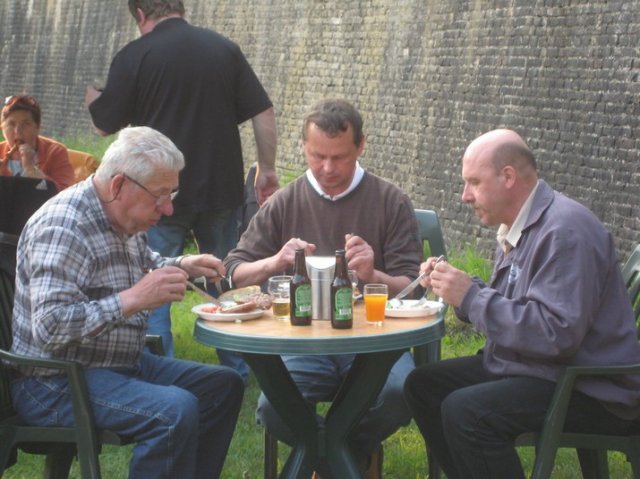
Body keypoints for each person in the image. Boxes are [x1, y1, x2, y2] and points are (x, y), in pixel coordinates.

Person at [403, 129, 640, 479]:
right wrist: (463, 291)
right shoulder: (526, 224)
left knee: (467, 412)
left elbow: (554, 334)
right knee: (423, 386)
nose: (464, 195)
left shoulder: (564, 231)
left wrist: (471, 295)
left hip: (591, 388)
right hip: (542, 369)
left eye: (473, 182)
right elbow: (523, 307)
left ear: (508, 177)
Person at [10, 126, 244, 479]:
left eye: (172, 194)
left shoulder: (119, 216)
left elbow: (140, 262)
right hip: (55, 382)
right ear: (119, 185)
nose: (167, 209)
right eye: (160, 195)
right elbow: (51, 326)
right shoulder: (64, 226)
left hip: (114, 364)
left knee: (223, 386)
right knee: (174, 410)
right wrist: (134, 299)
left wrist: (182, 264)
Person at [224, 98, 423, 477]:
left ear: (360, 146)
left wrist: (373, 275)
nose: (328, 169)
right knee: (271, 409)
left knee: (400, 395)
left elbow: (413, 290)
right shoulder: (284, 201)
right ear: (303, 147)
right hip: (302, 342)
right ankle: (349, 458)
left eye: (340, 158)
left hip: (374, 342)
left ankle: (327, 456)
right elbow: (232, 271)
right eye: (318, 156)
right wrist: (276, 261)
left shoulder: (390, 201)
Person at [84, 0, 279, 377]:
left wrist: (94, 97)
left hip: (155, 195)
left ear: (141, 15)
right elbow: (263, 111)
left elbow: (103, 124)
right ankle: (240, 367)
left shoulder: (135, 55)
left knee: (154, 282)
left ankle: (163, 367)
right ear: (181, 8)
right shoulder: (224, 49)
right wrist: (267, 169)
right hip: (221, 188)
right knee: (226, 278)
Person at [0, 94, 74, 191]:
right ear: (2, 128)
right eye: (11, 124)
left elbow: (66, 194)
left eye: (26, 124)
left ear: (37, 127)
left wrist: (31, 169)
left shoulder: (55, 152)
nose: (17, 131)